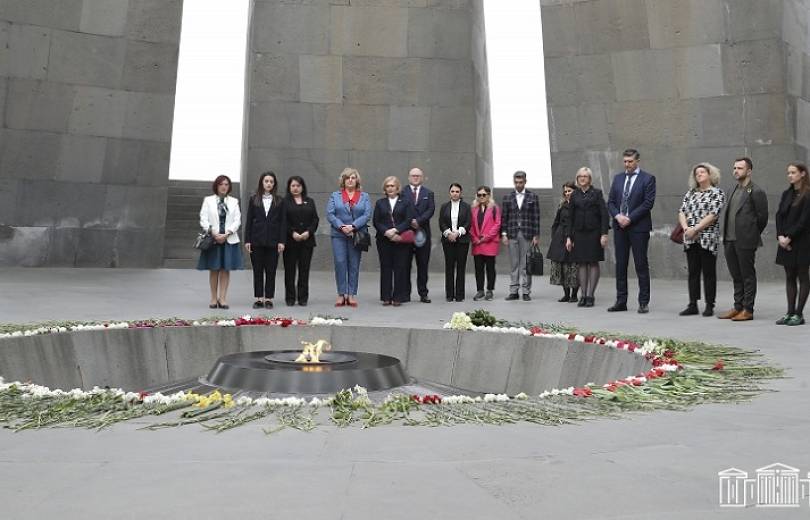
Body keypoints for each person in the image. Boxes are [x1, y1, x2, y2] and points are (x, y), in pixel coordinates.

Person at [718, 157, 769, 321]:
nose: (736, 171)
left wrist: (751, 233)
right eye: (734, 168)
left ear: (749, 171)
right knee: (736, 275)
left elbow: (762, 218)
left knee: (747, 276)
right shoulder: (732, 189)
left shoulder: (756, 191)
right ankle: (738, 306)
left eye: (740, 168)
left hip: (745, 240)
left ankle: (748, 309)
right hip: (729, 240)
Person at [607, 148, 656, 313]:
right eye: (625, 161)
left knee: (641, 264)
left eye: (630, 161)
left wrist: (630, 218)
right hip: (619, 227)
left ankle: (643, 302)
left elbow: (648, 203)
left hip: (638, 228)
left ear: (637, 161)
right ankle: (621, 301)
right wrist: (617, 216)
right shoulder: (618, 178)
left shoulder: (648, 179)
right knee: (621, 265)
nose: (627, 164)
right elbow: (611, 202)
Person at [677, 163, 726, 317]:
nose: (699, 174)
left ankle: (709, 305)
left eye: (702, 172)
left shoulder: (717, 193)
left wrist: (696, 229)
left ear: (710, 174)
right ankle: (692, 304)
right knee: (693, 272)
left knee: (709, 272)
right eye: (696, 173)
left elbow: (713, 215)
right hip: (690, 238)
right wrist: (686, 229)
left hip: (708, 239)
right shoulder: (691, 193)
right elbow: (681, 212)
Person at [326, 168, 372, 308]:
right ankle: (341, 294)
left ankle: (351, 294)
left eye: (353, 177)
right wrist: (341, 226)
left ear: (357, 180)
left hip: (356, 234)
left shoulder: (364, 196)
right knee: (340, 262)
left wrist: (353, 226)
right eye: (347, 178)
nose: (350, 180)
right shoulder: (335, 196)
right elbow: (330, 214)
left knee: (354, 264)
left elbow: (367, 214)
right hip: (338, 234)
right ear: (343, 180)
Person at [565, 167, 609, 307]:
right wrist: (568, 237)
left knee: (593, 262)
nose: (582, 178)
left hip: (594, 233)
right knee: (582, 263)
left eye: (585, 176)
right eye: (580, 176)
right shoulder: (574, 195)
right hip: (578, 233)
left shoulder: (597, 193)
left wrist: (604, 234)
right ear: (577, 179)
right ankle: (583, 295)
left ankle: (590, 295)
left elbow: (604, 215)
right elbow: (570, 218)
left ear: (590, 179)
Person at [197, 174, 243, 309]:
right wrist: (212, 232)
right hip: (214, 239)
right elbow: (203, 218)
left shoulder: (234, 201)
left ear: (229, 187)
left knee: (225, 269)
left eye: (226, 184)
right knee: (214, 269)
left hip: (228, 239)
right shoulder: (208, 200)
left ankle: (222, 298)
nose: (224, 187)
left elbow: (237, 220)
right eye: (221, 184)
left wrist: (227, 233)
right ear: (216, 186)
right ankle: (213, 298)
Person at [243, 172, 286, 309]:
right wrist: (247, 240)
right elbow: (249, 220)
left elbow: (283, 222)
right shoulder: (254, 199)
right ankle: (259, 298)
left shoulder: (279, 200)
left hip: (273, 241)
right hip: (256, 240)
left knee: (271, 270)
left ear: (274, 184)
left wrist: (282, 241)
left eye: (271, 182)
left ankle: (268, 298)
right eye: (266, 181)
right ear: (262, 182)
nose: (268, 184)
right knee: (257, 270)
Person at [775, 163, 810, 326]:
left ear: (802, 174)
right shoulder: (786, 194)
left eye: (793, 172)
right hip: (785, 241)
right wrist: (780, 236)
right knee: (789, 276)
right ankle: (789, 312)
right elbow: (779, 216)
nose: (790, 175)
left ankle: (799, 314)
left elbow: (804, 221)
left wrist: (789, 237)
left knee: (803, 276)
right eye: (788, 172)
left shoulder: (808, 194)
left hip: (802, 242)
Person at [373, 176, 416, 306]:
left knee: (400, 268)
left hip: (400, 239)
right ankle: (386, 296)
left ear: (397, 188)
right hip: (384, 239)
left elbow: (408, 220)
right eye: (387, 186)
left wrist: (396, 230)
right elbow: (376, 221)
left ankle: (398, 297)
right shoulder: (380, 203)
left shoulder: (406, 202)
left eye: (392, 186)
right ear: (385, 189)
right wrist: (387, 232)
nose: (390, 188)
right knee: (386, 267)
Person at [500, 171, 540, 301]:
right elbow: (504, 217)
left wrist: (536, 235)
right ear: (514, 182)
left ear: (525, 182)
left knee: (526, 264)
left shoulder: (533, 197)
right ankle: (514, 291)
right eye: (516, 182)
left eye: (521, 182)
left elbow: (536, 217)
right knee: (514, 264)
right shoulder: (507, 197)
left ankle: (526, 291)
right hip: (512, 233)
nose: (518, 184)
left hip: (527, 233)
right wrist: (504, 234)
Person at [282, 176, 319, 307]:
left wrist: (308, 232)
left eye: (298, 185)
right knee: (290, 271)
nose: (295, 188)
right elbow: (283, 220)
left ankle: (303, 298)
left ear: (302, 187)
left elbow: (315, 219)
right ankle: (290, 297)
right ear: (289, 187)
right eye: (293, 186)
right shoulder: (284, 202)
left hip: (307, 241)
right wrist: (292, 233)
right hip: (290, 241)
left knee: (304, 270)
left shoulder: (310, 201)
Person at [405, 167, 435, 303]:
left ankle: (423, 293)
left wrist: (418, 221)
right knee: (405, 264)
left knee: (423, 265)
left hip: (423, 233)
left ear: (422, 178)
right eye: (413, 175)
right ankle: (405, 293)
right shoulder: (402, 192)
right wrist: (410, 221)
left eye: (418, 175)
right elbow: (400, 209)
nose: (415, 177)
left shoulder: (428, 193)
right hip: (406, 232)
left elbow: (430, 210)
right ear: (409, 177)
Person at [438, 183, 472, 302]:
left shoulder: (466, 207)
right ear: (449, 193)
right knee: (449, 267)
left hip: (462, 240)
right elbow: (441, 222)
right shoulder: (444, 206)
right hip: (448, 241)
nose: (455, 194)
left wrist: (458, 233)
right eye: (452, 191)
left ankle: (459, 295)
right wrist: (449, 233)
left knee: (461, 267)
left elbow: (468, 222)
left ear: (460, 193)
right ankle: (449, 294)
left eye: (457, 191)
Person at [547, 182, 579, 303]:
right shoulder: (562, 205)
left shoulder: (579, 206)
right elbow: (556, 222)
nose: (567, 193)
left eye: (569, 191)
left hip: (574, 238)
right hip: (559, 239)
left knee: (573, 267)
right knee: (562, 267)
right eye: (565, 191)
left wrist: (574, 239)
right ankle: (566, 295)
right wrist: (554, 235)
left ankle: (574, 295)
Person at [470, 186, 501, 301]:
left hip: (490, 243)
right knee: (478, 268)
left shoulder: (494, 208)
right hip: (477, 243)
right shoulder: (473, 209)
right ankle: (480, 291)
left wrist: (486, 237)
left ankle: (489, 290)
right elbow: (470, 226)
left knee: (490, 268)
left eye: (484, 195)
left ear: (489, 195)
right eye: (479, 195)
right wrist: (474, 238)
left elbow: (497, 224)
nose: (481, 197)